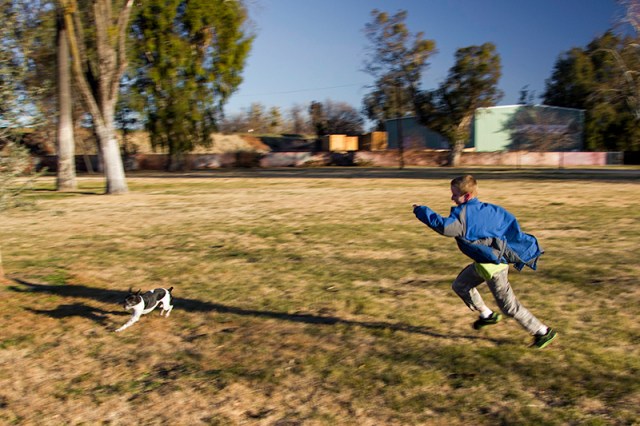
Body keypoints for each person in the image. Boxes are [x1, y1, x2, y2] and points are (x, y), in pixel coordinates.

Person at [412, 175, 557, 349]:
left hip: (494, 267)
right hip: (482, 263)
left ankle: (542, 331)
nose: (451, 198)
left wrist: (422, 211)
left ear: (466, 196)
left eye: (454, 194)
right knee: (460, 285)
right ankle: (487, 315)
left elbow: (445, 227)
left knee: (509, 307)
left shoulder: (464, 216)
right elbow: (510, 223)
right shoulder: (491, 209)